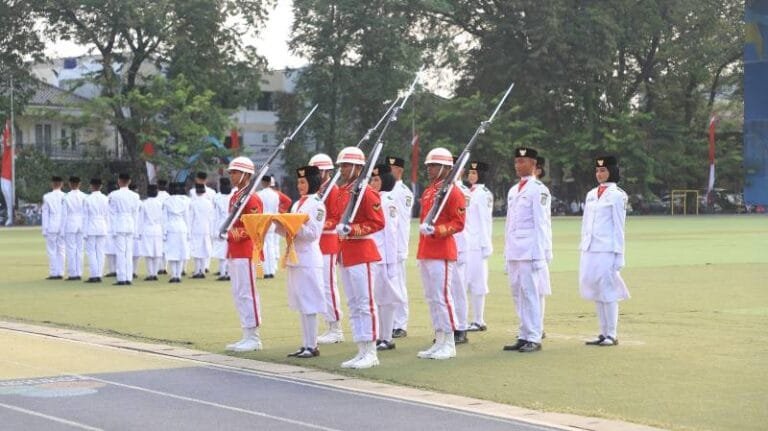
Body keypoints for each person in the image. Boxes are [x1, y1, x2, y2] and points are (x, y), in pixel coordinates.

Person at [335, 146, 385, 369]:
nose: (342, 169)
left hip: (362, 252)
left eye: (346, 165)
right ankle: (361, 349)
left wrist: (353, 230)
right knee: (354, 304)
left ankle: (371, 351)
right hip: (346, 253)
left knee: (365, 303)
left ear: (357, 167)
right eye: (342, 165)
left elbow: (377, 222)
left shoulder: (366, 191)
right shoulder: (344, 191)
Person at [416, 147, 466, 360]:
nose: (430, 169)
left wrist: (437, 231)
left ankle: (449, 342)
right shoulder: (430, 191)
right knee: (431, 298)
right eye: (429, 166)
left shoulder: (453, 192)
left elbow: (458, 223)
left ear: (446, 168)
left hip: (442, 250)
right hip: (426, 249)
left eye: (434, 166)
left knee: (443, 297)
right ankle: (439, 339)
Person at [503, 147, 552, 353]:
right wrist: (506, 252)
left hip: (530, 250)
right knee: (517, 293)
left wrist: (542, 254)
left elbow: (542, 224)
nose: (518, 165)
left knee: (530, 293)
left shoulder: (538, 189)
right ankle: (523, 334)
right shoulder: (514, 190)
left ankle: (534, 336)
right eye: (516, 161)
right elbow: (509, 224)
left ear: (533, 164)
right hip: (515, 249)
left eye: (522, 161)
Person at [579, 155, 630, 346]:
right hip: (591, 248)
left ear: (612, 172)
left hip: (607, 249)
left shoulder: (618, 195)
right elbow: (586, 223)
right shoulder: (591, 194)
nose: (599, 174)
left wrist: (619, 255)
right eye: (598, 170)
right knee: (596, 290)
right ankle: (602, 332)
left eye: (603, 170)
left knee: (608, 290)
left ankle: (611, 333)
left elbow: (619, 226)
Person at [279, 165, 326, 358]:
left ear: (313, 183)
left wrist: (292, 227)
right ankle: (305, 343)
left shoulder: (316, 204)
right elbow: (290, 231)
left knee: (309, 303)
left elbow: (313, 233)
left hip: (308, 257)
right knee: (300, 302)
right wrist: (280, 225)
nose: (300, 185)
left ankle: (312, 345)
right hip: (295, 256)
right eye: (298, 182)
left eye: (303, 182)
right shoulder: (298, 204)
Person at [225, 156, 265, 352]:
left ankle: (254, 337)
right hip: (235, 251)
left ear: (246, 175)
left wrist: (234, 233)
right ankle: (246, 333)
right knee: (239, 293)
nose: (231, 175)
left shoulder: (252, 198)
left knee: (248, 293)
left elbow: (255, 227)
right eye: (231, 172)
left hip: (247, 250)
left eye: (234, 172)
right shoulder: (236, 196)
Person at [309, 153, 344, 344]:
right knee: (320, 287)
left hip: (329, 242)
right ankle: (329, 324)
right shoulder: (317, 190)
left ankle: (336, 327)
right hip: (316, 242)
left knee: (328, 286)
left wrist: (318, 224)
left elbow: (336, 218)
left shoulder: (333, 189)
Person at [369, 164, 403, 351]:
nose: (373, 183)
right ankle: (381, 335)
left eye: (377, 179)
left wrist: (391, 263)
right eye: (372, 179)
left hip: (384, 256)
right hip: (375, 255)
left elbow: (391, 233)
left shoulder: (387, 200)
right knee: (378, 298)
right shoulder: (376, 198)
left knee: (386, 299)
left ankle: (387, 337)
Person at [385, 155, 414, 339]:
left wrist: (400, 247)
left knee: (399, 285)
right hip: (386, 245)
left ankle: (400, 323)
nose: (389, 172)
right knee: (387, 285)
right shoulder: (385, 190)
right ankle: (390, 322)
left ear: (400, 171)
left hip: (397, 245)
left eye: (392, 169)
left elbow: (402, 223)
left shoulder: (403, 191)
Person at [465, 161, 493, 332]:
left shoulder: (483, 193)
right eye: (470, 173)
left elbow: (485, 220)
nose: (471, 176)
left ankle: (478, 319)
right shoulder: (470, 192)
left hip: (478, 244)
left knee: (478, 282)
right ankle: (472, 318)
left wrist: (485, 244)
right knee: (467, 282)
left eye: (474, 173)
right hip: (468, 242)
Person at [450, 162, 471, 345]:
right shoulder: (441, 190)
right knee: (446, 290)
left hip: (459, 244)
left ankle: (461, 327)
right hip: (444, 246)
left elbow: (464, 223)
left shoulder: (463, 192)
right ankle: (450, 326)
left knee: (458, 289)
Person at [108, 173, 141, 286]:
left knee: (121, 253)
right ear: (129, 181)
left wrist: (112, 229)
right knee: (129, 252)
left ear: (119, 181)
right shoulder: (135, 196)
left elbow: (111, 214)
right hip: (130, 224)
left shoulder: (114, 195)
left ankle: (122, 278)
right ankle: (128, 277)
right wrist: (136, 230)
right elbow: (136, 214)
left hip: (119, 224)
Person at [535, 156, 553, 338]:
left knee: (539, 289)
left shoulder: (542, 190)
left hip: (539, 246)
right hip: (526, 248)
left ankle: (538, 327)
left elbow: (542, 223)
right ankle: (530, 327)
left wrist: (546, 249)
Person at [163, 182, 191, 283]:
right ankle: (178, 275)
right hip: (182, 227)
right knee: (180, 251)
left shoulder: (166, 202)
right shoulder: (183, 202)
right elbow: (187, 218)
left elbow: (164, 219)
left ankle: (173, 274)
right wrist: (189, 232)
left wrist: (164, 233)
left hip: (171, 227)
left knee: (172, 252)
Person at [83, 178, 109, 283]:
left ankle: (94, 275)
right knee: (100, 251)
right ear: (101, 186)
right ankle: (99, 274)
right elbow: (107, 215)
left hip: (91, 226)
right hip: (102, 225)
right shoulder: (106, 198)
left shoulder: (87, 199)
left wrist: (84, 232)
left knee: (91, 251)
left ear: (91, 186)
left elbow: (85, 217)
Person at [138, 184, 164, 281]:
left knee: (148, 252)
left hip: (147, 229)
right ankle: (155, 273)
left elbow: (140, 219)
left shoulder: (144, 204)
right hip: (158, 229)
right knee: (157, 251)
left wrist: (139, 232)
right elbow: (163, 218)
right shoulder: (161, 203)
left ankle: (150, 273)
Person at [42, 176, 66, 280]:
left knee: (52, 250)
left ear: (52, 184)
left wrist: (44, 229)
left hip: (52, 224)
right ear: (62, 184)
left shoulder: (47, 197)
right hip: (62, 225)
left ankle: (53, 273)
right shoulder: (66, 196)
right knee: (61, 249)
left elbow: (45, 214)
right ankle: (60, 272)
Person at [62, 176, 86, 281]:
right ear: (79, 184)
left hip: (70, 223)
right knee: (80, 250)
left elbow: (64, 215)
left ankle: (73, 273)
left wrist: (62, 229)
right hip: (81, 223)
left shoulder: (66, 197)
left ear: (70, 184)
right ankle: (79, 272)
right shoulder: (85, 196)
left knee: (71, 249)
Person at [189, 183, 215, 278]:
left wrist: (189, 230)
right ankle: (203, 270)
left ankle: (197, 271)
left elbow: (191, 218)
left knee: (196, 250)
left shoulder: (193, 203)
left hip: (196, 228)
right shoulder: (209, 203)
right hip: (206, 228)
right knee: (204, 249)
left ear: (196, 192)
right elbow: (211, 218)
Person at [257, 175, 280, 278]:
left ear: (263, 182)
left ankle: (266, 271)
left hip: (262, 222)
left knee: (264, 247)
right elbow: (276, 210)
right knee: (271, 246)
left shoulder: (259, 195)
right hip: (271, 221)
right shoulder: (275, 195)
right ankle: (272, 270)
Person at [213, 177, 233, 281]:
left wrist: (215, 230)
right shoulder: (234, 196)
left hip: (221, 224)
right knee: (230, 249)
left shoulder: (217, 198)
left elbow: (215, 216)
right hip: (232, 224)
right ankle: (229, 273)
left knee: (222, 250)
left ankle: (222, 273)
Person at [103, 180, 118, 277]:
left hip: (108, 226)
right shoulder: (118, 196)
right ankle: (118, 269)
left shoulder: (106, 198)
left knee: (109, 251)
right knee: (118, 250)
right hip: (118, 225)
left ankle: (112, 270)